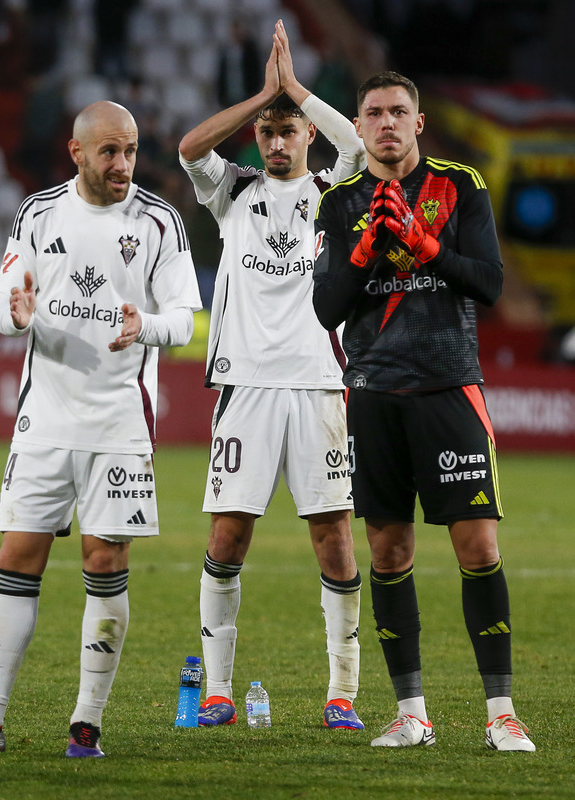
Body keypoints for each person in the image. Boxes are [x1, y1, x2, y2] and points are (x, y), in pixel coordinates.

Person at [0, 100, 202, 758]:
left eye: (130, 150)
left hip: (120, 419)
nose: (124, 163)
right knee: (17, 557)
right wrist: (15, 315)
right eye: (109, 151)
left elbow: (186, 316)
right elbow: (5, 303)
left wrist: (147, 327)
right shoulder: (38, 212)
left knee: (105, 561)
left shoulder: (160, 221)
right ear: (77, 152)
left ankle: (87, 722)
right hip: (45, 416)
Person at [312, 70, 535, 751]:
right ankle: (412, 713)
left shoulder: (461, 186)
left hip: (448, 387)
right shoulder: (340, 202)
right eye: (373, 113)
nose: (384, 122)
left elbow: (491, 283)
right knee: (388, 550)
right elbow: (326, 308)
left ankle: (501, 713)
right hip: (375, 394)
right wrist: (361, 251)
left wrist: (427, 244)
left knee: (478, 547)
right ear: (358, 127)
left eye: (396, 111)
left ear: (418, 122)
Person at [177, 19, 367, 731]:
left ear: (306, 137)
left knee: (335, 538)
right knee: (229, 537)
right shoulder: (235, 195)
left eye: (288, 131)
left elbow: (355, 142)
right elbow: (189, 147)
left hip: (319, 385)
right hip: (247, 388)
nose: (279, 141)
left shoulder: (334, 191)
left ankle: (341, 695)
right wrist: (262, 96)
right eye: (269, 132)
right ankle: (219, 690)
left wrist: (296, 91)